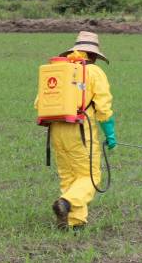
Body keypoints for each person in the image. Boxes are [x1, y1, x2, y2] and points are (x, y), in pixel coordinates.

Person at [40, 31, 116, 230]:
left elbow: (39, 103)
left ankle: (74, 222)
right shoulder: (94, 72)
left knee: (69, 176)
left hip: (56, 130)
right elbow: (103, 107)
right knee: (90, 176)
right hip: (80, 131)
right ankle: (66, 203)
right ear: (93, 56)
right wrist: (110, 133)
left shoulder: (58, 70)